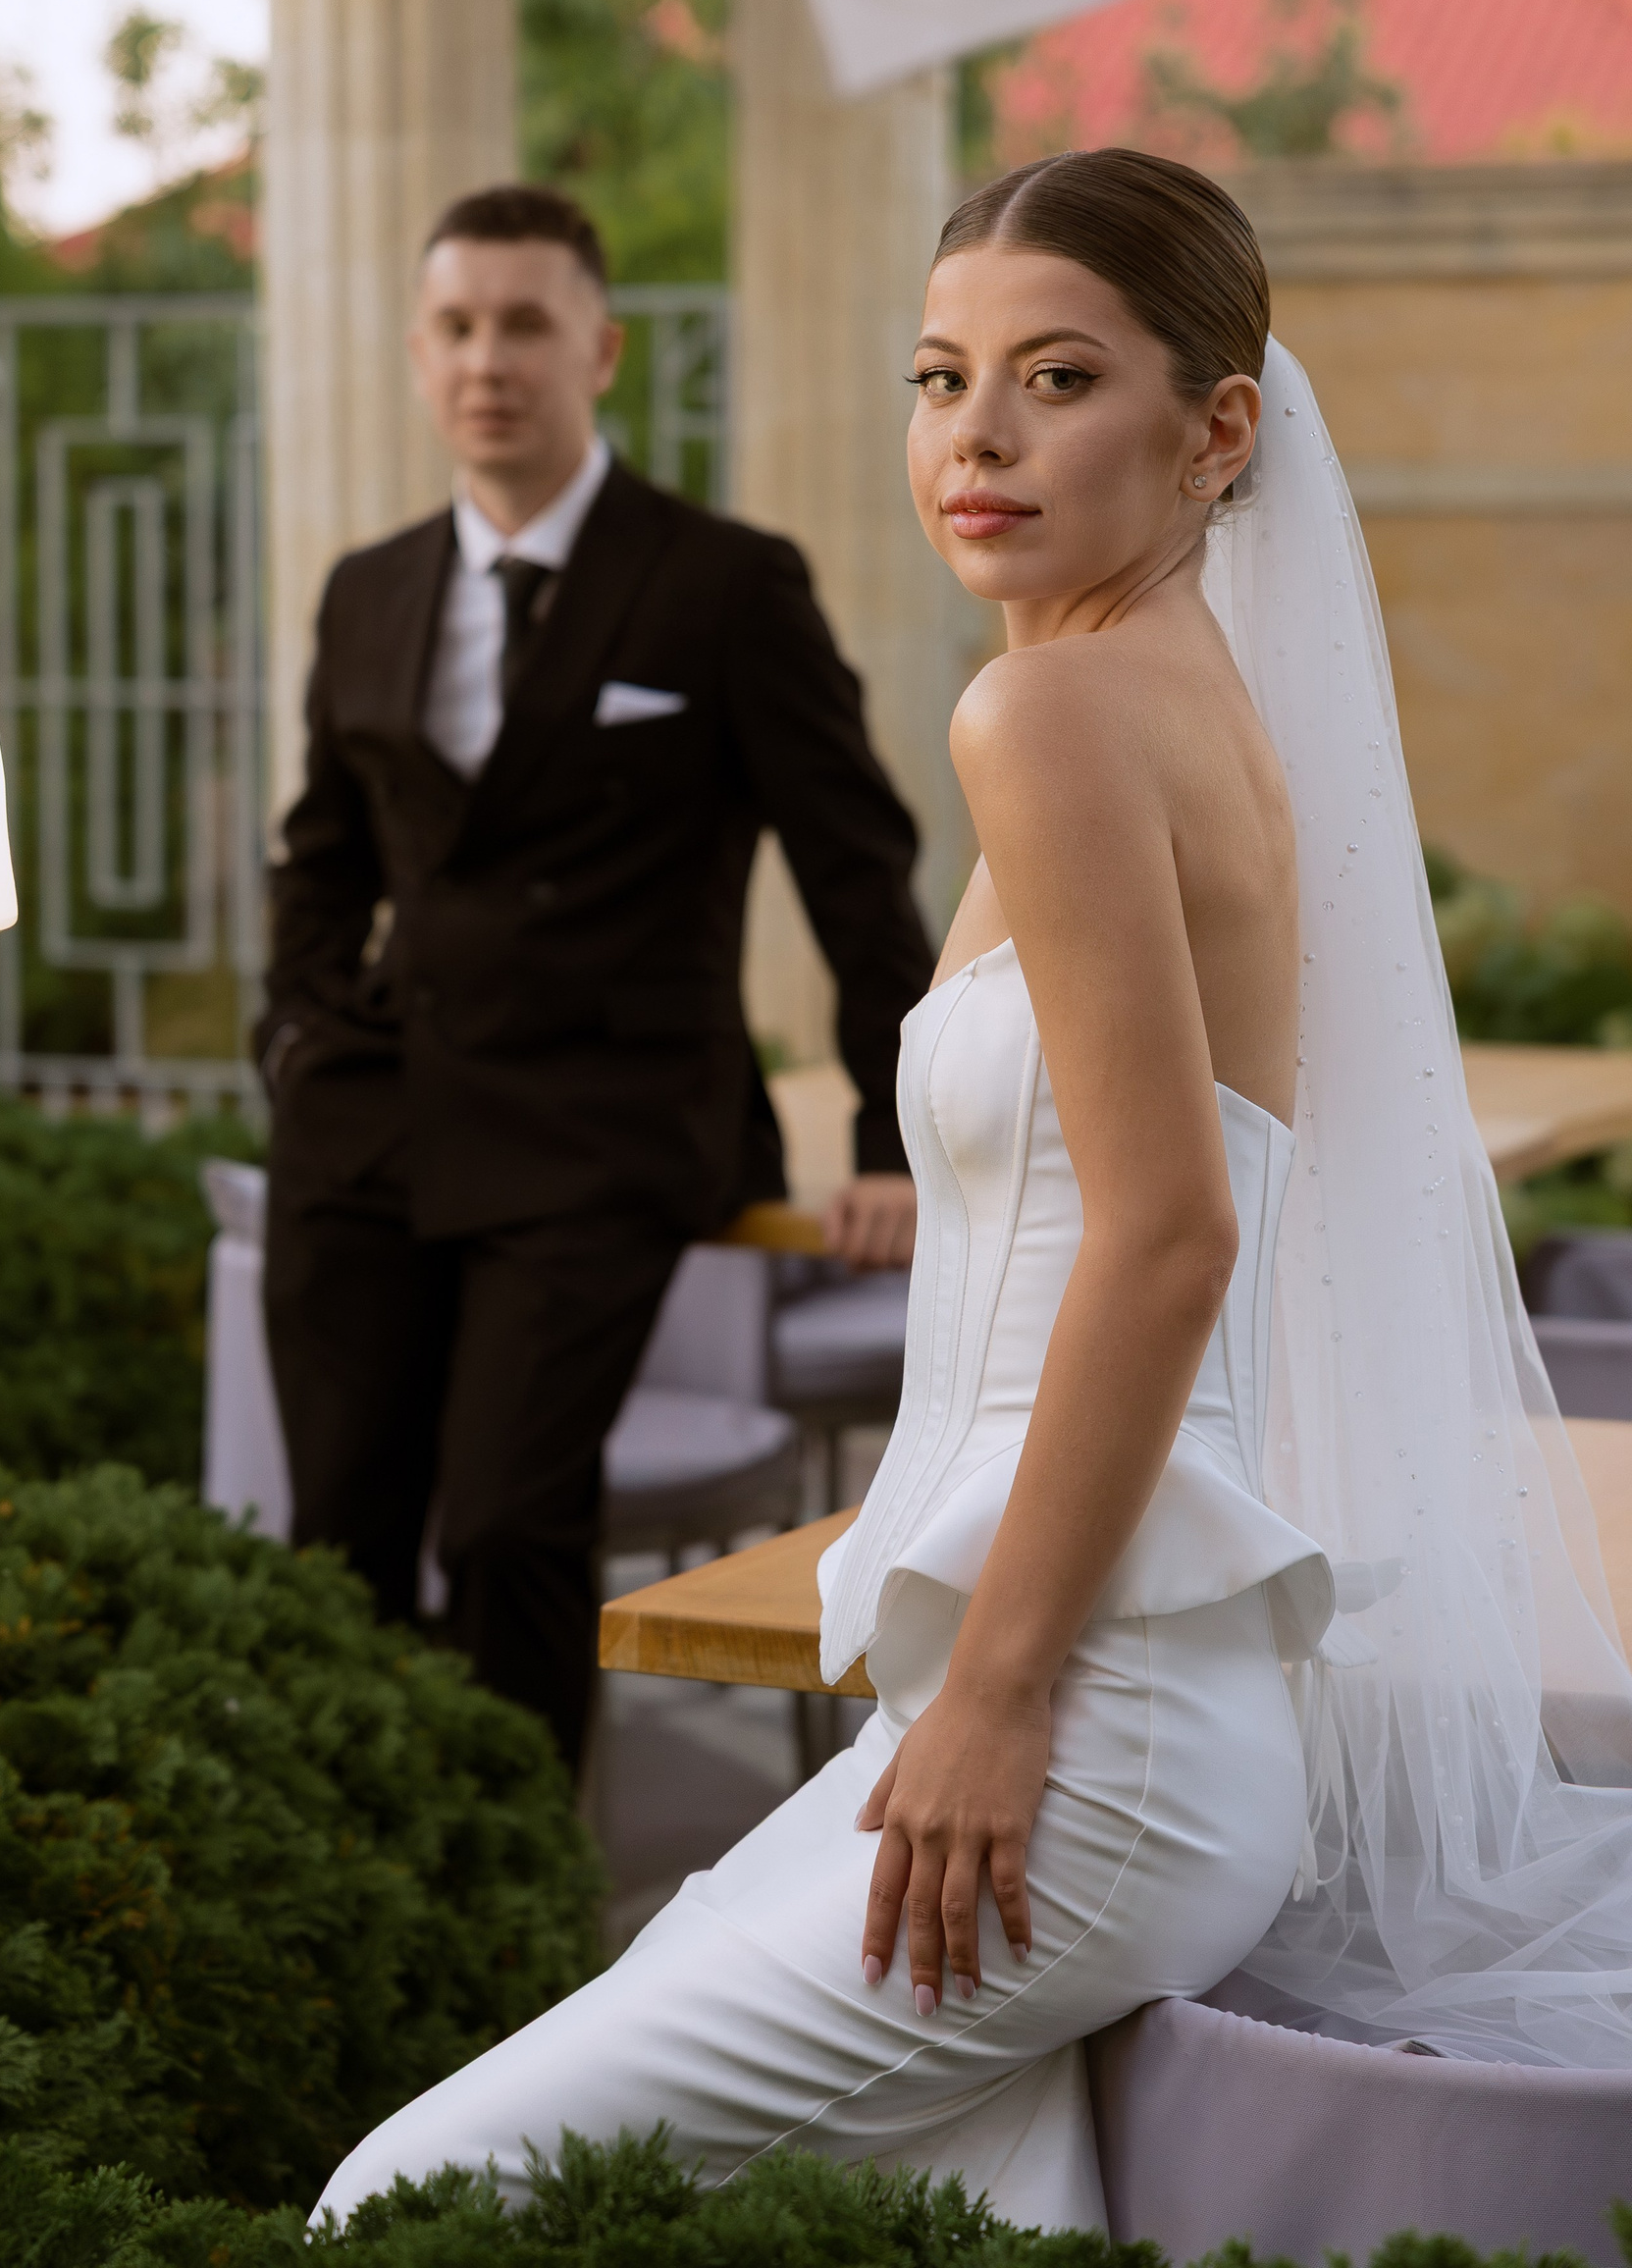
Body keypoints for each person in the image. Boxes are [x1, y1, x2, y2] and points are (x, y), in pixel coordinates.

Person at [313, 148, 1632, 2232]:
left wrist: (1001, 1697)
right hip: (1098, 1702)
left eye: (1058, 378)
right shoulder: (1192, 706)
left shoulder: (1051, 711)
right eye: (941, 378)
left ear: (1219, 432)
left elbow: (1174, 1234)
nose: (977, 436)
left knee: (402, 2203)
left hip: (1079, 1731)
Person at [257, 182, 933, 1777]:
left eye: (525, 325)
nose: (488, 359)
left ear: (601, 350)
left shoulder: (726, 583)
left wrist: (892, 1141)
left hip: (604, 1129)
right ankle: (351, 1875)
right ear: (419, 352)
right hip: (371, 1124)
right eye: (456, 326)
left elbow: (857, 867)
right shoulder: (368, 589)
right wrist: (292, 1034)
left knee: (509, 1523)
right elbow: (322, 855)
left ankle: (515, 1888)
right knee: (337, 1535)